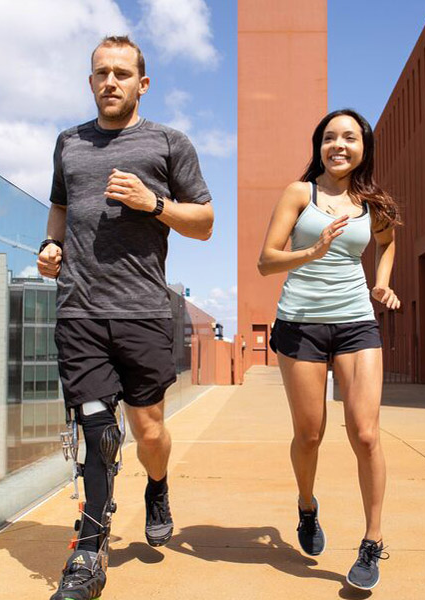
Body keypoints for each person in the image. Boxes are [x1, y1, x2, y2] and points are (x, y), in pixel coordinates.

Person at [37, 35, 214, 600]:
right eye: (99, 73)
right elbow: (61, 206)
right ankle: (89, 552)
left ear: (143, 82)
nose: (109, 82)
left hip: (141, 311)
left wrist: (153, 204)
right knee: (97, 431)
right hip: (79, 310)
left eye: (120, 73)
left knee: (148, 430)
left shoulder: (168, 142)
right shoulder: (68, 143)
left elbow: (205, 221)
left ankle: (157, 486)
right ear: (90, 81)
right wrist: (51, 246)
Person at [257, 108, 401, 590]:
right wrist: (312, 252)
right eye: (329, 138)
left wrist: (381, 283)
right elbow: (266, 261)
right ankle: (306, 503)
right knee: (310, 434)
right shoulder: (302, 194)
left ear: (364, 147)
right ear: (318, 146)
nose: (339, 145)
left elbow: (387, 242)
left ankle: (372, 540)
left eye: (350, 138)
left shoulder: (371, 202)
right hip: (301, 325)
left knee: (365, 434)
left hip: (357, 323)